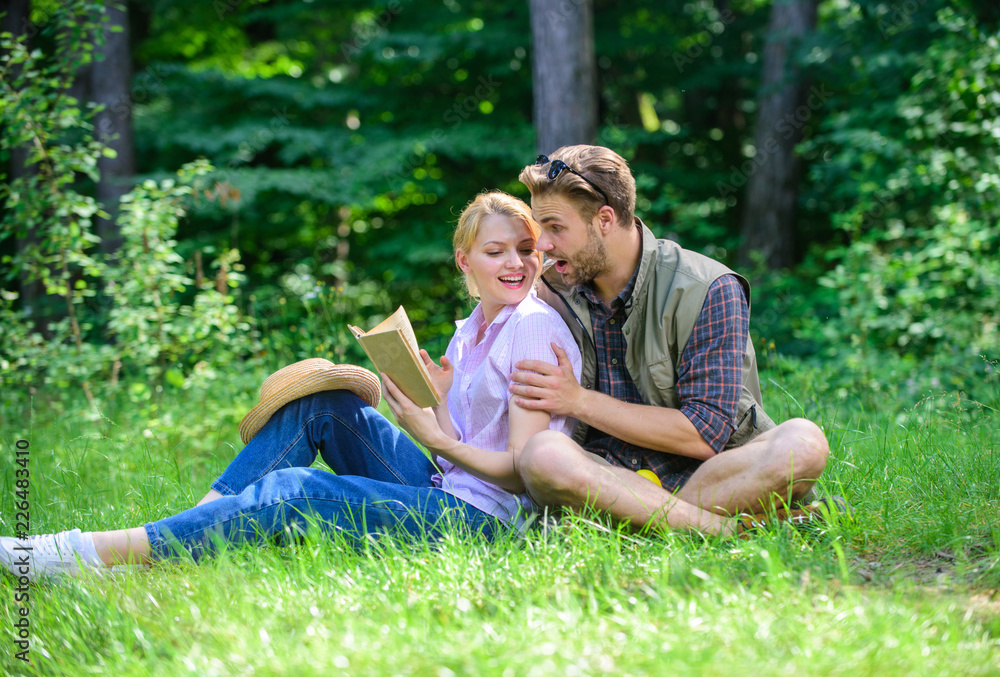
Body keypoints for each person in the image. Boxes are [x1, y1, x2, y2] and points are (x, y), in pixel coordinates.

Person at [2, 190, 732, 580]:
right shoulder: (474, 325)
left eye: (527, 250)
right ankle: (204, 522)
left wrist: (431, 434)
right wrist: (435, 392)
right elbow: (464, 426)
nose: (517, 263)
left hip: (486, 520)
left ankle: (86, 552)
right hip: (448, 482)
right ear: (464, 260)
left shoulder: (534, 327)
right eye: (497, 251)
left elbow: (523, 475)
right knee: (326, 401)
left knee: (296, 495)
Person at [507, 145, 834, 533]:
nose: (542, 244)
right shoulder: (549, 287)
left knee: (805, 442)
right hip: (607, 474)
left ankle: (632, 525)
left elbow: (704, 434)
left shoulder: (708, 288)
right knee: (542, 455)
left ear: (605, 219)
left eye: (555, 227)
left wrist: (578, 401)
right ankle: (726, 528)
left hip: (713, 475)